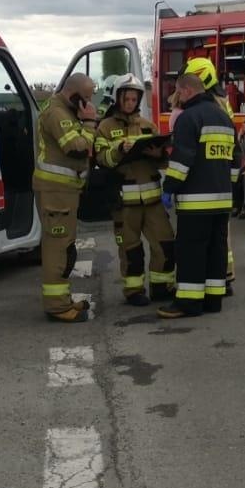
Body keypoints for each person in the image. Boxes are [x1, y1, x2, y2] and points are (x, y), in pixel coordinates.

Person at [160, 71, 235, 318]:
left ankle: (188, 303)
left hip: (195, 201)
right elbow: (236, 160)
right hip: (222, 199)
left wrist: (169, 187)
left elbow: (182, 159)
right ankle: (213, 300)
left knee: (191, 251)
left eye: (179, 93)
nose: (178, 98)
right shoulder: (224, 117)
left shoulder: (188, 118)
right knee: (216, 249)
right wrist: (227, 185)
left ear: (186, 91)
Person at [94, 74, 175, 306]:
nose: (130, 103)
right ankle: (134, 291)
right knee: (131, 250)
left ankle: (162, 287)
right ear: (117, 99)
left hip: (153, 201)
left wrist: (158, 154)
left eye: (134, 99)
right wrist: (120, 149)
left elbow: (162, 162)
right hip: (124, 202)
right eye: (126, 98)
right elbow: (102, 159)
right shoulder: (105, 128)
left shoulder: (147, 126)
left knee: (165, 243)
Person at [34, 74, 99, 322]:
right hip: (56, 192)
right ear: (73, 94)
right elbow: (77, 147)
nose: (89, 104)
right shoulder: (57, 113)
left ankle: (62, 301)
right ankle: (58, 307)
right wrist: (90, 123)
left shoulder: (67, 111)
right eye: (86, 99)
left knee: (64, 246)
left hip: (64, 192)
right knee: (57, 247)